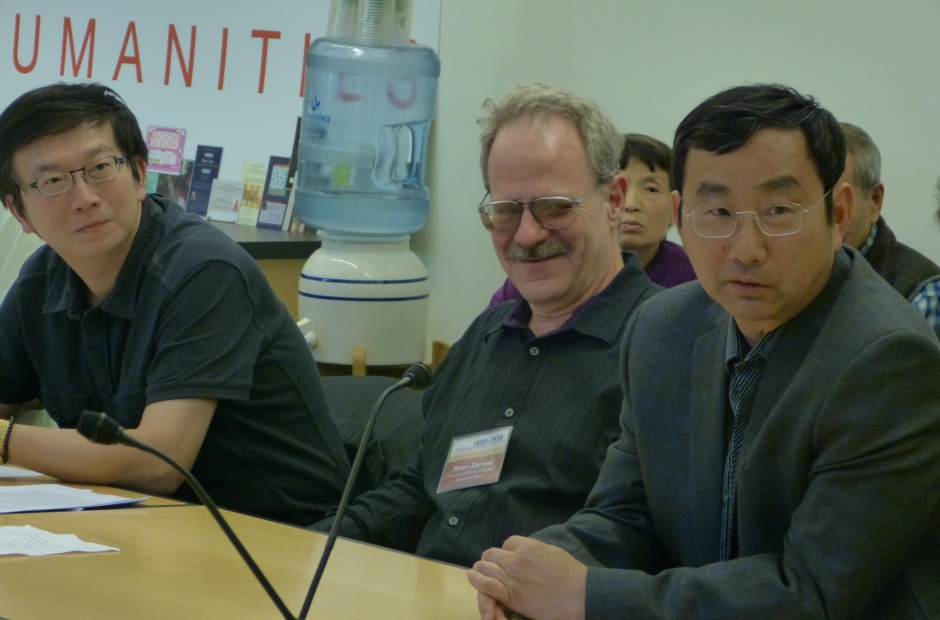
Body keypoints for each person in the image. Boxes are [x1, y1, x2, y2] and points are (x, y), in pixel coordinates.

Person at [468, 84, 940, 620]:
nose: (746, 249)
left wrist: (585, 596)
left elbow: (812, 595)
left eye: (779, 211)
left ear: (839, 212)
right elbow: (625, 515)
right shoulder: (662, 328)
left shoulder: (887, 358)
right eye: (715, 213)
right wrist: (531, 572)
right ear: (678, 214)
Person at [310, 84, 661, 568]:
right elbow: (423, 488)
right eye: (505, 211)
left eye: (555, 206)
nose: (528, 234)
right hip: (424, 594)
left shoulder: (663, 345)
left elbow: (636, 532)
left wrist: (506, 586)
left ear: (615, 200)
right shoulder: (487, 335)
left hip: (538, 609)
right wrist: (310, 545)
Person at [0, 83, 349, 526]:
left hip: (283, 535)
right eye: (53, 182)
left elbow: (158, 463)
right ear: (19, 211)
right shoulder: (39, 284)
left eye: (100, 168)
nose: (85, 198)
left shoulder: (204, 272)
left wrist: (4, 439)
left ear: (139, 175)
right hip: (138, 527)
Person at [487, 133, 696, 307]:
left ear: (675, 208)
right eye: (620, 191)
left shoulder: (693, 277)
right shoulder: (541, 272)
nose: (631, 203)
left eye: (651, 189)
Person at [838, 122, 940, 332]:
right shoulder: (791, 270)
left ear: (875, 200)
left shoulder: (922, 293)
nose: (820, 220)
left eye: (835, 204)